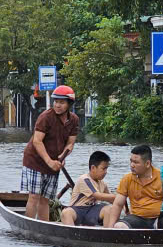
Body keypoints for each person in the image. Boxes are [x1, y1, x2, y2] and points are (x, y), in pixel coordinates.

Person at [20, 85, 79, 221]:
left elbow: (70, 143)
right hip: (35, 161)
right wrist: (49, 162)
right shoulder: (46, 117)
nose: (57, 105)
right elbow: (37, 141)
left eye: (62, 102)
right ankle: (30, 227)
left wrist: (63, 156)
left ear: (69, 104)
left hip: (54, 163)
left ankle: (43, 226)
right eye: (56, 102)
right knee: (34, 196)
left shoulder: (74, 120)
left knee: (45, 199)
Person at [103, 144, 163, 229]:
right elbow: (118, 204)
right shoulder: (127, 179)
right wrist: (110, 228)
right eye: (131, 161)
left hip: (159, 218)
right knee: (119, 226)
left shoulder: (162, 177)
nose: (132, 165)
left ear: (147, 163)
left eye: (136, 162)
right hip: (137, 218)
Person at [60, 150, 115, 226]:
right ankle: (71, 234)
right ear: (93, 168)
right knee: (66, 212)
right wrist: (118, 196)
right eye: (103, 169)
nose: (106, 172)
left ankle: (107, 234)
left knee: (110, 209)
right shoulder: (85, 179)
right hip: (77, 210)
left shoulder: (103, 184)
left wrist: (125, 209)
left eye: (106, 169)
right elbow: (98, 195)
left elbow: (112, 200)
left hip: (92, 211)